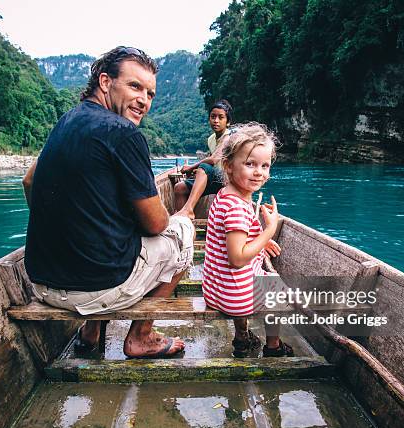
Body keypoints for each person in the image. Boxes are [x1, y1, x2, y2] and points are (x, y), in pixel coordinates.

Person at [22, 46, 194, 359]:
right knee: (183, 232)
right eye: (135, 86)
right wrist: (176, 216)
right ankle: (141, 336)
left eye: (150, 93)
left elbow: (30, 181)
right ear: (105, 82)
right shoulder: (123, 132)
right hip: (96, 291)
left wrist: (61, 228)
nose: (144, 99)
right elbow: (156, 224)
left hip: (43, 285)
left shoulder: (66, 122)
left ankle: (90, 333)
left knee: (111, 237)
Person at [202, 122, 294, 358]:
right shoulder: (237, 209)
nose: (259, 172)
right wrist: (269, 230)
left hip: (214, 289)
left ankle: (242, 336)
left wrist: (261, 242)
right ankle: (273, 347)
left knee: (252, 276)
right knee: (276, 286)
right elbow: (237, 258)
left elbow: (231, 242)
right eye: (250, 164)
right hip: (232, 297)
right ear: (229, 166)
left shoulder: (224, 196)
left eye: (265, 165)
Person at [174, 100, 233, 219]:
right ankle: (184, 224)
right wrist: (198, 173)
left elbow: (213, 160)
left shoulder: (229, 136)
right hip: (216, 180)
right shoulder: (211, 139)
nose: (216, 121)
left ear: (228, 122)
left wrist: (191, 168)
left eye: (221, 117)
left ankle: (188, 208)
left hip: (228, 180)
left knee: (204, 167)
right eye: (213, 117)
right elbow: (214, 164)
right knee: (179, 188)